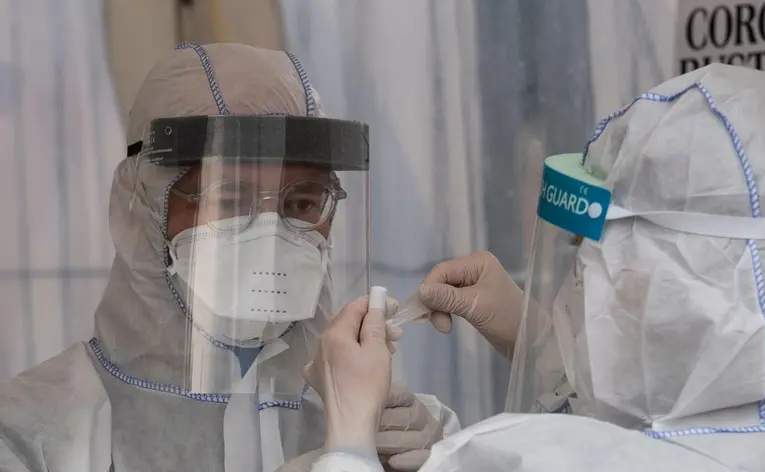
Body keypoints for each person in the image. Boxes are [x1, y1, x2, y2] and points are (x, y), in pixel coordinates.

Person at [303, 63, 765, 471]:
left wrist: (348, 441)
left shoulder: (539, 458)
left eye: (585, 262)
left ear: (646, 276)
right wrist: (543, 350)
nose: (575, 288)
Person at [0, 42, 458, 472]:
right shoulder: (30, 433)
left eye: (302, 203)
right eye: (228, 199)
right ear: (143, 206)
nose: (271, 232)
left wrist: (449, 458)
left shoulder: (401, 429)